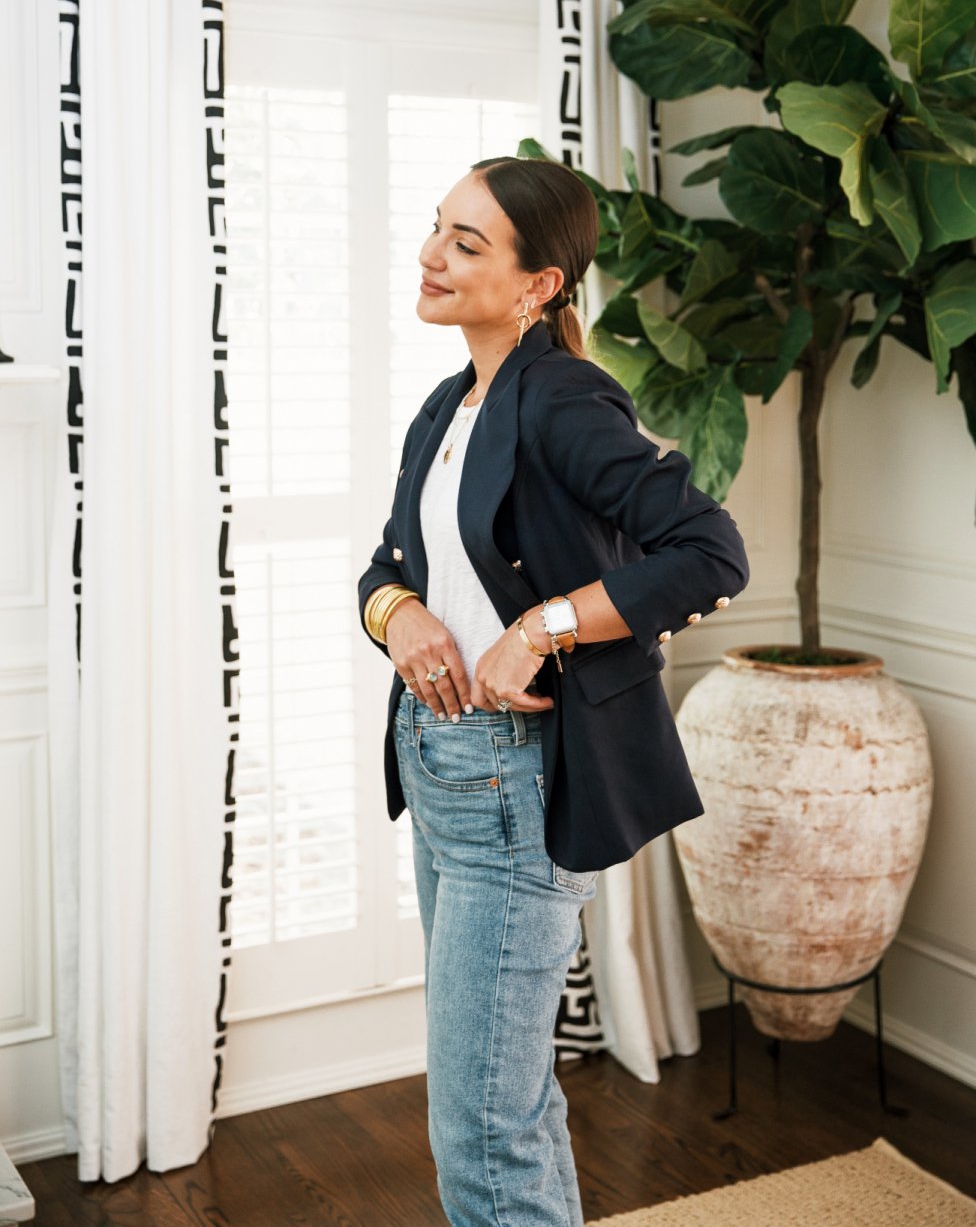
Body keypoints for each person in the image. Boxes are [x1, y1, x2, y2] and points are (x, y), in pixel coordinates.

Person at [358, 156, 749, 1227]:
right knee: (501, 1103)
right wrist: (404, 619)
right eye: (437, 228)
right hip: (439, 763)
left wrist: (543, 626)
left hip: (511, 781)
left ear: (539, 286)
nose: (432, 254)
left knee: (481, 1123)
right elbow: (385, 567)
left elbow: (709, 551)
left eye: (467, 243)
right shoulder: (449, 405)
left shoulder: (561, 396)